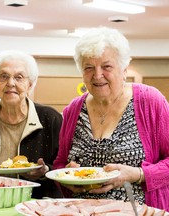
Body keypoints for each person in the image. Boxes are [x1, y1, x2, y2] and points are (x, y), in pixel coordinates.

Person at [53, 26, 169, 211]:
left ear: (123, 69)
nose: (97, 75)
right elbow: (60, 163)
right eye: (89, 68)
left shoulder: (150, 101)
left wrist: (138, 174)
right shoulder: (74, 109)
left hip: (136, 211)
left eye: (106, 66)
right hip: (81, 210)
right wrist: (67, 176)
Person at [0, 50, 63, 198]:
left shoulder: (50, 119)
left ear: (30, 84)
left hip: (37, 202)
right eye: (4, 76)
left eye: (19, 77)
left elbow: (63, 168)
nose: (10, 83)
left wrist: (44, 171)